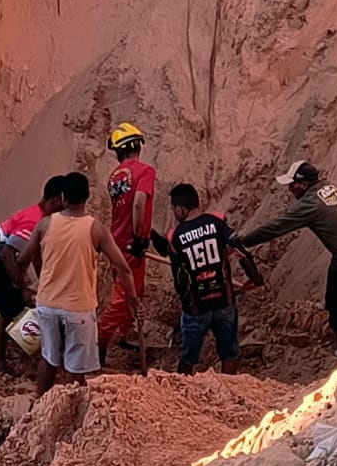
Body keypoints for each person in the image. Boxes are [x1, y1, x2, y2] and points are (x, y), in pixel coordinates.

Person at [17, 171, 138, 397]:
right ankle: (68, 411)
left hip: (47, 305)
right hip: (78, 309)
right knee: (74, 368)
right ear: (87, 197)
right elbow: (123, 267)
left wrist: (24, 286)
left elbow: (23, 259)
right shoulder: (96, 229)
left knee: (49, 358)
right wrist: (131, 299)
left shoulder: (45, 224)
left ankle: (39, 405)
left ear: (62, 197)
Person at [239, 160, 337, 354]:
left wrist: (244, 241)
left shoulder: (307, 205)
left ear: (303, 185)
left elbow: (275, 228)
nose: (289, 189)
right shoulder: (336, 185)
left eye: (292, 184)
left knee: (335, 300)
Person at [154, 183, 263, 375]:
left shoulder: (175, 237)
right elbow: (240, 251)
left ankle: (181, 391)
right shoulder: (217, 222)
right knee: (229, 352)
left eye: (173, 209)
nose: (173, 213)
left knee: (188, 357)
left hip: (196, 307)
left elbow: (178, 275)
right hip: (224, 301)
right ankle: (229, 388)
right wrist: (255, 277)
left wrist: (184, 298)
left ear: (180, 209)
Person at [0, 176, 65, 374]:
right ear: (56, 200)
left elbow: (35, 257)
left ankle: (3, 359)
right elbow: (7, 252)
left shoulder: (36, 214)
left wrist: (43, 285)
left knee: (10, 309)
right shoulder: (34, 221)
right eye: (63, 206)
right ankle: (27, 362)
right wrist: (20, 285)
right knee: (19, 313)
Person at [98, 122, 156, 367]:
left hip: (115, 241)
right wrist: (139, 237)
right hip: (132, 245)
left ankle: (124, 333)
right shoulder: (145, 171)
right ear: (137, 146)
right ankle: (98, 341)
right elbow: (138, 203)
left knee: (125, 288)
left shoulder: (114, 176)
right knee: (126, 296)